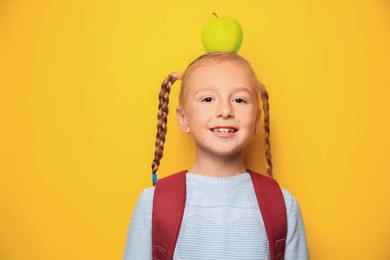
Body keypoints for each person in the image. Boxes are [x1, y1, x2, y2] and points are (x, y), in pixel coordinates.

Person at [123, 52, 309, 259]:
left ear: (256, 120)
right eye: (208, 99)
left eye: (239, 99)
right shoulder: (153, 204)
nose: (225, 110)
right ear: (183, 118)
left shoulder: (284, 205)